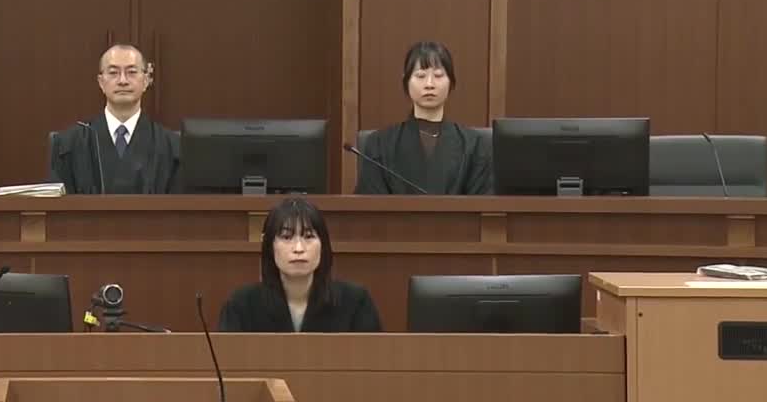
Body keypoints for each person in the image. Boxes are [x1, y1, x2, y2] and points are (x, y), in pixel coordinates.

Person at [219, 197, 382, 332]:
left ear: (323, 244)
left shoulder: (355, 303)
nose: (299, 248)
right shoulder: (241, 306)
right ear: (269, 246)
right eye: (286, 237)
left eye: (309, 236)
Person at [354, 40, 492, 195]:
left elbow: (481, 204)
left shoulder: (474, 145)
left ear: (451, 82)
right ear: (406, 82)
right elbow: (370, 205)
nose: (429, 84)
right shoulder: (379, 143)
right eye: (420, 76)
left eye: (438, 75)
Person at [49, 44, 180, 194]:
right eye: (113, 73)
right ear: (101, 82)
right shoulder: (69, 144)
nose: (123, 81)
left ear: (146, 80)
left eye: (131, 72)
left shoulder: (172, 146)